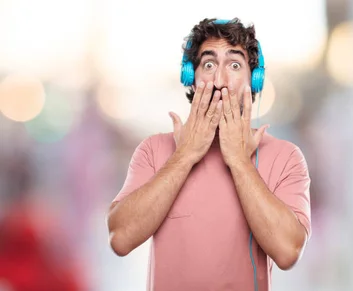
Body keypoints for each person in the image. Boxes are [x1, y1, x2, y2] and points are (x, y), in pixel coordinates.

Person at [106, 18, 311, 291]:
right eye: (209, 64)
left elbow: (288, 252)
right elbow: (120, 238)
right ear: (191, 78)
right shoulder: (153, 150)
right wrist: (186, 154)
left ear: (254, 80)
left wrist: (239, 161)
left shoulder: (286, 157)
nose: (220, 80)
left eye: (235, 65)